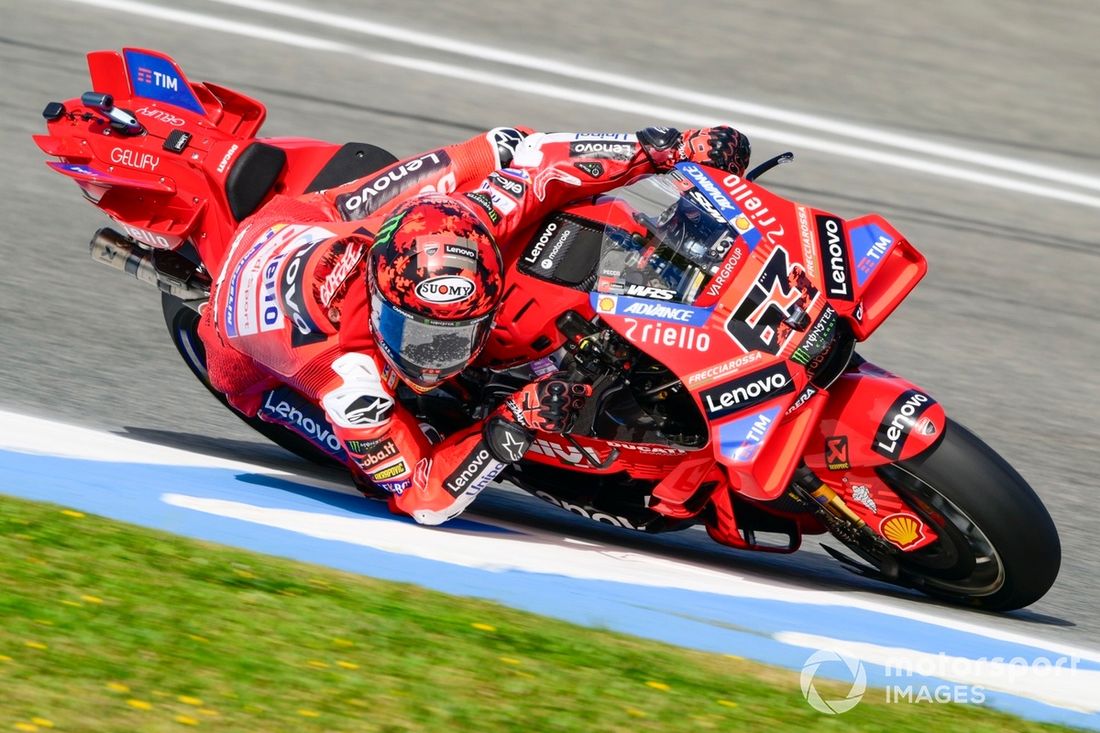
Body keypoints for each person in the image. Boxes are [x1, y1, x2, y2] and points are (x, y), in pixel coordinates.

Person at [198, 125, 751, 525]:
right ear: (380, 296)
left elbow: (540, 158)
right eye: (425, 336)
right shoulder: (349, 379)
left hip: (323, 221)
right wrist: (512, 422)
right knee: (385, 464)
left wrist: (671, 149)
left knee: (504, 147)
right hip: (250, 340)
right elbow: (422, 498)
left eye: (462, 334)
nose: (443, 356)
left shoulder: (479, 211)